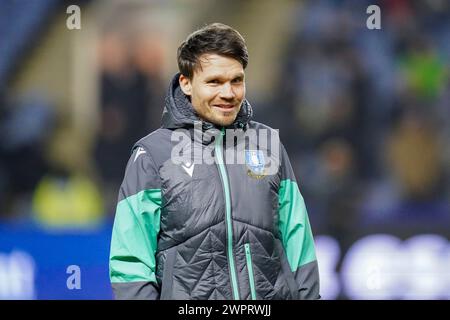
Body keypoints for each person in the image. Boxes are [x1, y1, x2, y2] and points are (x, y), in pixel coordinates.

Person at [109, 23, 320, 300]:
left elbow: (298, 244)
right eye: (214, 82)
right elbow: (131, 264)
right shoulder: (152, 154)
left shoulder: (268, 144)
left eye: (236, 80)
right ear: (186, 83)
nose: (229, 93)